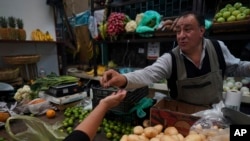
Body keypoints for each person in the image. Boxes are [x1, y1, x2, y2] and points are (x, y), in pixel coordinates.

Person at [100, 11, 250, 106]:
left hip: (214, 114)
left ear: (201, 31)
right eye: (178, 31)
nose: (181, 35)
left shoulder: (218, 48)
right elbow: (147, 74)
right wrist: (123, 79)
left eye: (187, 29)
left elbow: (236, 67)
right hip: (182, 116)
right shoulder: (171, 58)